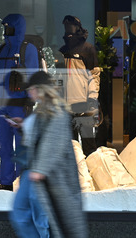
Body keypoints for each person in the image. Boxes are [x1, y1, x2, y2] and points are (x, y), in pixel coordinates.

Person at [9, 71, 87, 238]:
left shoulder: (56, 110)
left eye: (31, 89)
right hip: (35, 172)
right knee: (29, 215)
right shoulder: (43, 109)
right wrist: (23, 126)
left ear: (39, 89)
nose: (29, 92)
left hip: (45, 175)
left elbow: (54, 140)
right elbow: (40, 136)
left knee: (38, 217)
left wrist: (40, 170)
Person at [0, 13, 40, 191]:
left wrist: (30, 101)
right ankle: (6, 182)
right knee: (5, 147)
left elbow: (34, 77)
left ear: (17, 27)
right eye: (4, 27)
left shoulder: (27, 49)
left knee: (22, 147)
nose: (5, 31)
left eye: (8, 27)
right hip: (2, 106)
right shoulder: (2, 49)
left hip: (19, 107)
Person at [58, 15, 101, 155]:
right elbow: (58, 78)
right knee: (70, 147)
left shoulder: (88, 49)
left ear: (77, 28)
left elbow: (94, 75)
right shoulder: (62, 51)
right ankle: (75, 175)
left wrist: (92, 99)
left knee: (89, 145)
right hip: (66, 105)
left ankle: (92, 173)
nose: (67, 29)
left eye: (70, 26)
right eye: (66, 26)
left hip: (83, 104)